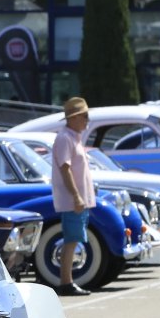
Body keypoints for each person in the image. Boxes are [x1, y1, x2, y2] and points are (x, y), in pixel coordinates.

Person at [50, 96, 94, 296]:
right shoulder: (64, 138)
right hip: (72, 201)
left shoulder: (73, 137)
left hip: (78, 200)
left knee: (73, 239)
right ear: (74, 117)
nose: (87, 120)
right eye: (84, 116)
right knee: (71, 240)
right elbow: (65, 168)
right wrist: (76, 196)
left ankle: (67, 282)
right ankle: (66, 282)